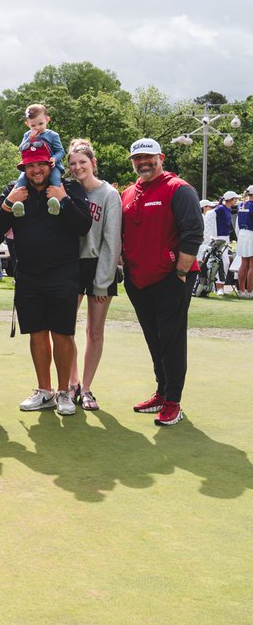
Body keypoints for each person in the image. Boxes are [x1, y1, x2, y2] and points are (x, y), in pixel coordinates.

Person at [0, 139, 92, 415]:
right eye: (30, 165)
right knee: (37, 333)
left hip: (63, 274)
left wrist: (64, 200)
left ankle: (64, 393)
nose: (36, 170)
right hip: (28, 276)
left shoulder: (69, 188)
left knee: (62, 333)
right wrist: (9, 204)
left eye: (41, 164)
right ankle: (44, 391)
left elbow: (83, 226)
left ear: (51, 164)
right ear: (23, 167)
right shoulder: (14, 191)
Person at [122, 139, 203, 426]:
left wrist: (180, 272)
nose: (143, 162)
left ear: (161, 157)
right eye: (137, 158)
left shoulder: (179, 189)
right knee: (154, 338)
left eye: (148, 157)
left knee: (171, 339)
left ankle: (173, 402)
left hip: (171, 278)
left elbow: (193, 232)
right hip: (138, 280)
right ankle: (161, 391)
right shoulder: (129, 192)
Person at [64, 140, 121, 411]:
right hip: (72, 266)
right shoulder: (67, 190)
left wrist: (103, 281)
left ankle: (87, 388)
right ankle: (72, 383)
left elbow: (112, 241)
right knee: (66, 329)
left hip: (100, 265)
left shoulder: (109, 194)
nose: (77, 168)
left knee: (94, 331)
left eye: (82, 162)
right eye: (73, 163)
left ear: (93, 163)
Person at [9, 103, 66, 217]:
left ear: (47, 120)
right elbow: (21, 149)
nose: (37, 128)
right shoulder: (27, 135)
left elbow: (61, 151)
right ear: (27, 124)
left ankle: (56, 203)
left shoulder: (53, 135)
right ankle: (19, 204)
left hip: (51, 165)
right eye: (33, 125)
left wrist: (54, 158)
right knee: (21, 180)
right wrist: (30, 139)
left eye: (41, 123)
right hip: (31, 165)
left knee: (56, 179)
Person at [238, 186, 253, 298]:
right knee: (252, 264)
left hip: (242, 234)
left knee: (244, 263)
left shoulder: (240, 205)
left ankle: (242, 291)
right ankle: (249, 291)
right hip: (251, 234)